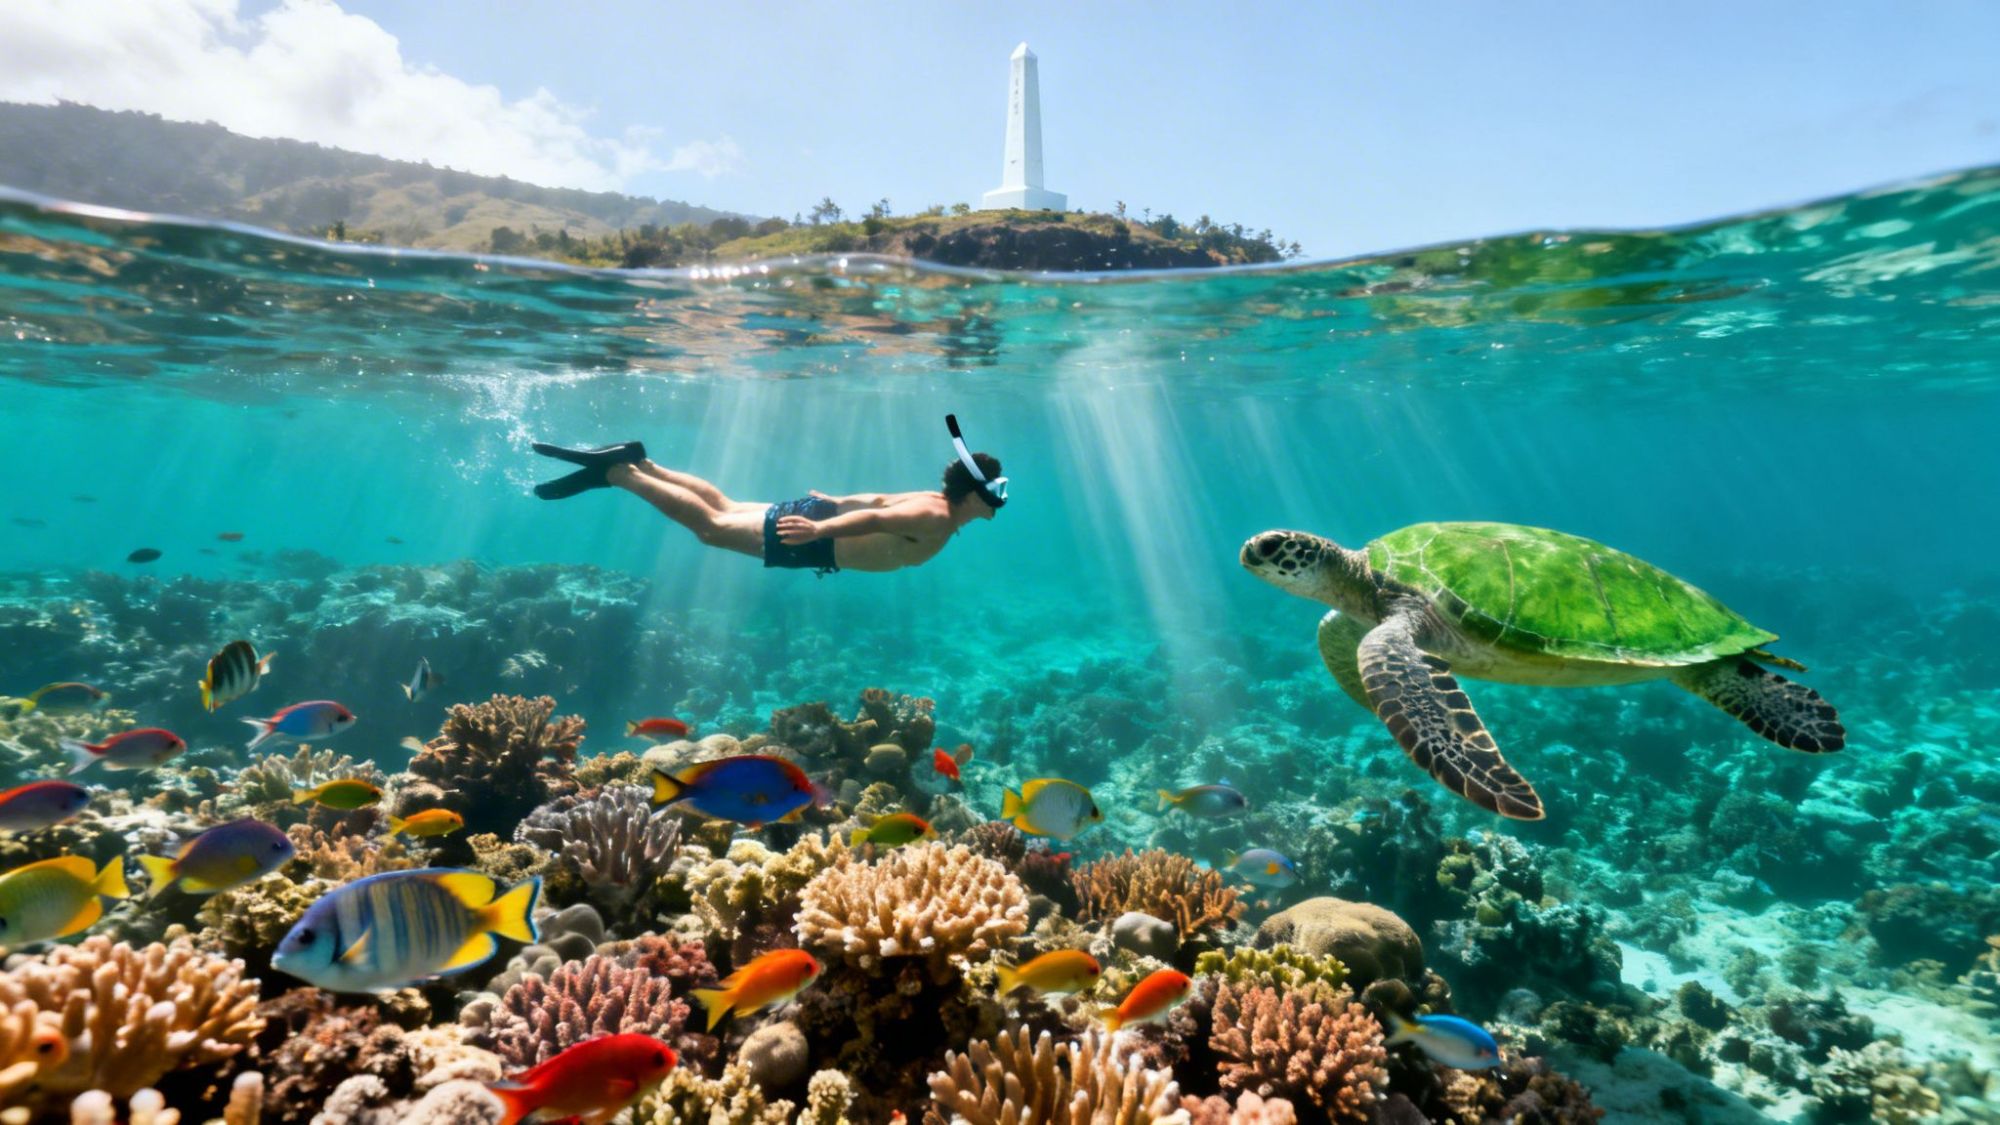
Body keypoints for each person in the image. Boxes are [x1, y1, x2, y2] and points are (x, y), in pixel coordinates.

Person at [529, 417, 1005, 575]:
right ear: (975, 494)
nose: (1001, 500)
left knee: (729, 506)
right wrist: (821, 527)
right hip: (815, 537)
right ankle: (619, 474)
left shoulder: (933, 501)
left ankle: (644, 464)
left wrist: (834, 503)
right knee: (712, 528)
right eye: (997, 491)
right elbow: (876, 523)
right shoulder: (937, 517)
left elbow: (879, 502)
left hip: (821, 522)